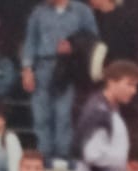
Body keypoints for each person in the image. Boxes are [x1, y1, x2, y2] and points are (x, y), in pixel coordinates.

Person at [21, 0, 98, 162]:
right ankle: (44, 155)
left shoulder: (82, 11)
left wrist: (74, 46)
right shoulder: (38, 12)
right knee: (41, 114)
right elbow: (30, 41)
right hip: (43, 65)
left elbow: (93, 39)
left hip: (69, 67)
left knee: (64, 114)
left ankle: (63, 155)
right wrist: (27, 69)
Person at [70, 60, 138, 171]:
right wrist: (126, 164)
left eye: (135, 86)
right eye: (129, 84)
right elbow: (92, 154)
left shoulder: (109, 109)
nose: (133, 91)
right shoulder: (98, 110)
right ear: (111, 82)